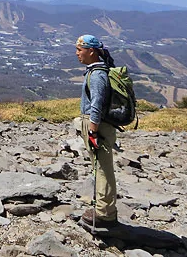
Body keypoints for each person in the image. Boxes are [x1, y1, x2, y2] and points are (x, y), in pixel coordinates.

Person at [76, 34, 118, 229]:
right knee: (100, 167)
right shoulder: (96, 71)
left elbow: (97, 104)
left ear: (91, 51)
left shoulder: (98, 74)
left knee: (102, 169)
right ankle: (104, 209)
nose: (77, 54)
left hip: (97, 128)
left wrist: (92, 131)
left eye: (79, 50)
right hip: (97, 126)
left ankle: (105, 213)